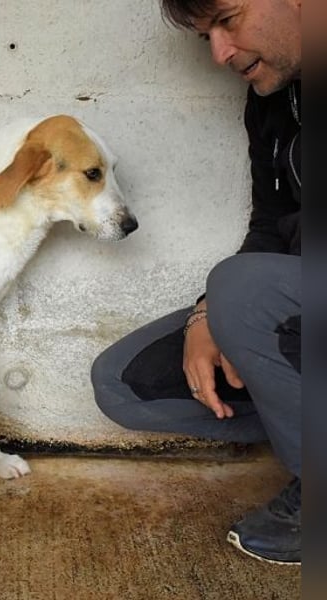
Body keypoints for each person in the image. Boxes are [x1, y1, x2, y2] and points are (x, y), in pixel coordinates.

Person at [91, 0, 301, 565]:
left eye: (229, 20)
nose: (219, 54)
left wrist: (240, 298)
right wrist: (211, 314)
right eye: (207, 35)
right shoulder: (274, 100)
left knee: (243, 288)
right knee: (125, 383)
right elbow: (270, 227)